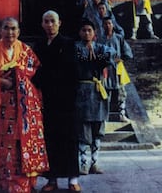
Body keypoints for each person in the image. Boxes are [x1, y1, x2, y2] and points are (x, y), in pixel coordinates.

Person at [0, 17, 49, 193]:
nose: (10, 32)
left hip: (23, 109)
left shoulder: (26, 50)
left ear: (18, 32)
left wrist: (20, 73)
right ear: (0, 30)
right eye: (6, 28)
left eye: (13, 29)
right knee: (1, 145)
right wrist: (0, 81)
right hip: (0, 106)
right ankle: (3, 183)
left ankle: (24, 184)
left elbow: (36, 74)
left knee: (21, 145)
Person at [32, 11, 81, 192]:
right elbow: (34, 70)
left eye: (53, 21)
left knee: (69, 139)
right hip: (47, 99)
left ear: (60, 23)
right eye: (46, 21)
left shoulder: (69, 44)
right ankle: (51, 179)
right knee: (49, 140)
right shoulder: (39, 45)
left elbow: (73, 72)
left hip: (66, 100)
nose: (50, 25)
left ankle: (73, 179)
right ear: (42, 24)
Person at [75, 20, 117, 176]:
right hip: (83, 91)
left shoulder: (100, 48)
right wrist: (91, 56)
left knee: (98, 128)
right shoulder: (76, 48)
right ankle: (84, 163)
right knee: (83, 129)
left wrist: (96, 54)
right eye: (84, 30)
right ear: (80, 32)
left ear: (94, 33)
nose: (87, 33)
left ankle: (95, 162)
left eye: (89, 30)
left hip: (98, 91)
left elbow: (111, 54)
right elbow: (82, 59)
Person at [99, 16, 133, 123]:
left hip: (118, 68)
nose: (108, 26)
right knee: (105, 93)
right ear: (103, 26)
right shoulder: (100, 39)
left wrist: (121, 58)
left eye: (109, 23)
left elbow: (128, 53)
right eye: (105, 24)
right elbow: (96, 54)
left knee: (121, 92)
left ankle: (121, 114)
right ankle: (105, 116)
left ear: (113, 25)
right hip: (105, 69)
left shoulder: (119, 38)